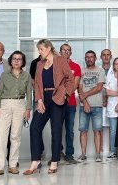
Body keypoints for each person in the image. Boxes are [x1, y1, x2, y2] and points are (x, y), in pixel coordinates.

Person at [26, 39, 75, 175]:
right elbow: (36, 83)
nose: (39, 52)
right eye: (39, 49)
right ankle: (35, 160)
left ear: (48, 48)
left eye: (41, 49)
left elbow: (70, 79)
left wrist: (65, 94)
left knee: (56, 130)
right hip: (44, 99)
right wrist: (39, 100)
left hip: (58, 98)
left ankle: (54, 161)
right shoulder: (39, 64)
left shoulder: (60, 61)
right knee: (35, 126)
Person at [0, 51, 32, 177]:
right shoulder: (4, 75)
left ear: (23, 61)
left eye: (19, 59)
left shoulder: (27, 76)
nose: (16, 61)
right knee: (2, 136)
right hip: (5, 105)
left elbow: (29, 94)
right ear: (11, 61)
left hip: (20, 104)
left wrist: (28, 109)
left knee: (15, 136)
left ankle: (13, 165)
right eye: (14, 59)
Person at [78, 50, 106, 162]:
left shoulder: (100, 70)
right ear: (85, 58)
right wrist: (84, 101)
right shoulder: (81, 71)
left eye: (91, 57)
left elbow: (99, 87)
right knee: (83, 131)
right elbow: (79, 88)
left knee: (97, 131)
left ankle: (98, 154)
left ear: (95, 59)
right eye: (87, 57)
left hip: (97, 105)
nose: (89, 59)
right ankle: (83, 154)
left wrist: (85, 95)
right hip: (83, 106)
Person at [60, 43, 81, 164]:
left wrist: (64, 94)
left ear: (71, 52)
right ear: (60, 51)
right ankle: (57, 154)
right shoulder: (55, 65)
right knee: (56, 129)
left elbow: (75, 84)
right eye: (64, 50)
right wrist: (59, 96)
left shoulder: (76, 66)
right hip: (57, 103)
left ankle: (69, 155)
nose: (66, 52)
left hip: (70, 103)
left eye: (68, 50)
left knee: (70, 130)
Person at [105, 57, 118, 160]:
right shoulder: (110, 75)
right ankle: (113, 151)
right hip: (112, 107)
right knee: (113, 130)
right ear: (113, 65)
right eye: (116, 64)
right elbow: (108, 92)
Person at [100, 48, 112, 158]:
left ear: (111, 56)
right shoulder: (98, 70)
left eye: (108, 55)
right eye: (104, 55)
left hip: (112, 102)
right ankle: (101, 150)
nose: (106, 57)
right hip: (100, 102)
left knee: (112, 127)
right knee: (100, 127)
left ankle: (111, 150)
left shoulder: (115, 69)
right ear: (101, 57)